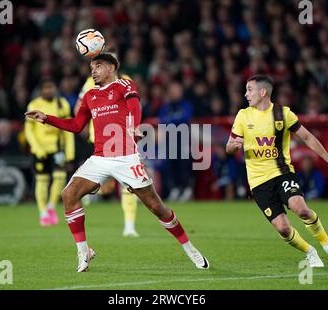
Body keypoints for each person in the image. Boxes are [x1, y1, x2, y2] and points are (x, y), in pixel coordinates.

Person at [25, 53, 209, 272]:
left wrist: (135, 126)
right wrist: (47, 119)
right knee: (69, 195)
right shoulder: (90, 96)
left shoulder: (124, 84)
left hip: (125, 157)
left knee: (156, 207)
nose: (93, 70)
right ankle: (84, 252)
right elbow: (76, 125)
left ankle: (190, 249)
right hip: (100, 157)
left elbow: (134, 106)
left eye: (99, 66)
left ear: (112, 68)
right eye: (92, 67)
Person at [226, 75, 328, 267]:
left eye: (249, 89)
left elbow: (307, 137)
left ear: (263, 92)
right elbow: (228, 148)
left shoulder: (283, 114)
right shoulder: (243, 115)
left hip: (282, 173)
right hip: (258, 182)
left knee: (301, 209)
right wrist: (234, 145)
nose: (245, 94)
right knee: (282, 228)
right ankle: (310, 251)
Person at [76, 66, 140, 237]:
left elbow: (134, 105)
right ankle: (90, 192)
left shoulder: (126, 81)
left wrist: (134, 126)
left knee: (129, 185)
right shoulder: (91, 82)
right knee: (103, 184)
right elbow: (79, 107)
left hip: (123, 139)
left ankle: (129, 225)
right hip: (98, 140)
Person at [25, 78, 75, 226]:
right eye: (45, 88)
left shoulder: (62, 104)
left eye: (51, 88)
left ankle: (51, 207)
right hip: (40, 149)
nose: (48, 91)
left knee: (60, 178)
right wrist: (36, 147)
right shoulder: (34, 105)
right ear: (41, 90)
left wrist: (70, 152)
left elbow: (68, 129)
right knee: (42, 180)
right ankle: (43, 213)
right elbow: (29, 130)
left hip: (57, 148)